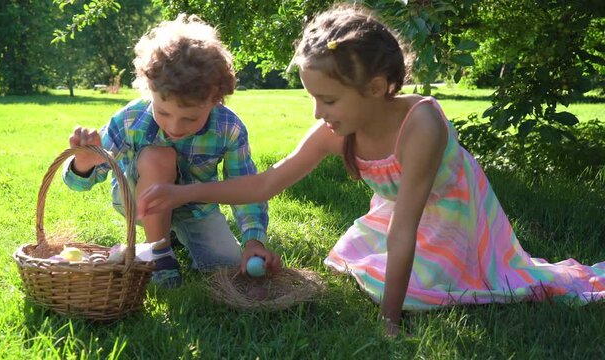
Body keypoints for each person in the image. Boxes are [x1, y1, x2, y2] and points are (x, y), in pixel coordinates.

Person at [135, 3, 605, 336]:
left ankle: (459, 276)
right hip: (398, 212)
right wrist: (182, 195)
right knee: (351, 262)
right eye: (314, 98)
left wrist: (390, 321)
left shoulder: (421, 124)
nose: (319, 113)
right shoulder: (340, 127)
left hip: (453, 216)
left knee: (420, 293)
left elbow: (407, 228)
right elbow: (267, 182)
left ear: (378, 88)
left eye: (329, 99)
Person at [62, 14, 281, 288]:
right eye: (163, 112)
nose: (174, 127)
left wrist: (253, 240)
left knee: (225, 263)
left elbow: (246, 188)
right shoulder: (131, 119)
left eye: (190, 118)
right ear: (147, 89)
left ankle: (175, 233)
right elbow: (78, 184)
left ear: (216, 100)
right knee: (159, 155)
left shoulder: (229, 127)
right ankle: (159, 250)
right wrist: (84, 162)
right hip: (139, 199)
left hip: (194, 206)